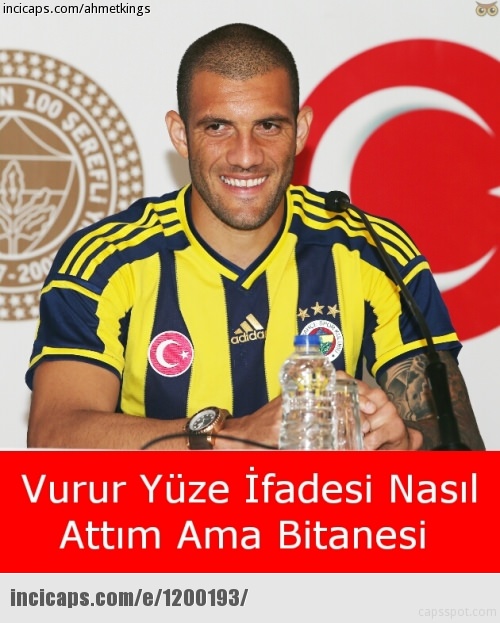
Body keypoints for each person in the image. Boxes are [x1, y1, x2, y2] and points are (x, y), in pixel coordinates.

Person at [26, 23, 484, 451]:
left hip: (323, 513)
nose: (245, 157)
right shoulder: (107, 259)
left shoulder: (369, 248)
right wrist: (231, 437)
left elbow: (461, 440)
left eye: (268, 126)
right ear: (181, 135)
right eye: (217, 127)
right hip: (158, 514)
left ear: (300, 131)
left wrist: (406, 442)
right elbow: (53, 434)